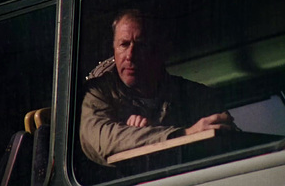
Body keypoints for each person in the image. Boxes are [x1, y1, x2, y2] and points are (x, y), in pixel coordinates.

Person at [80, 9, 238, 166]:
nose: (130, 55)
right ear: (114, 49)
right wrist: (186, 134)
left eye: (141, 45)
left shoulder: (196, 95)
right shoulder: (97, 93)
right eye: (124, 44)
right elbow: (105, 140)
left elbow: (232, 146)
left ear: (163, 50)